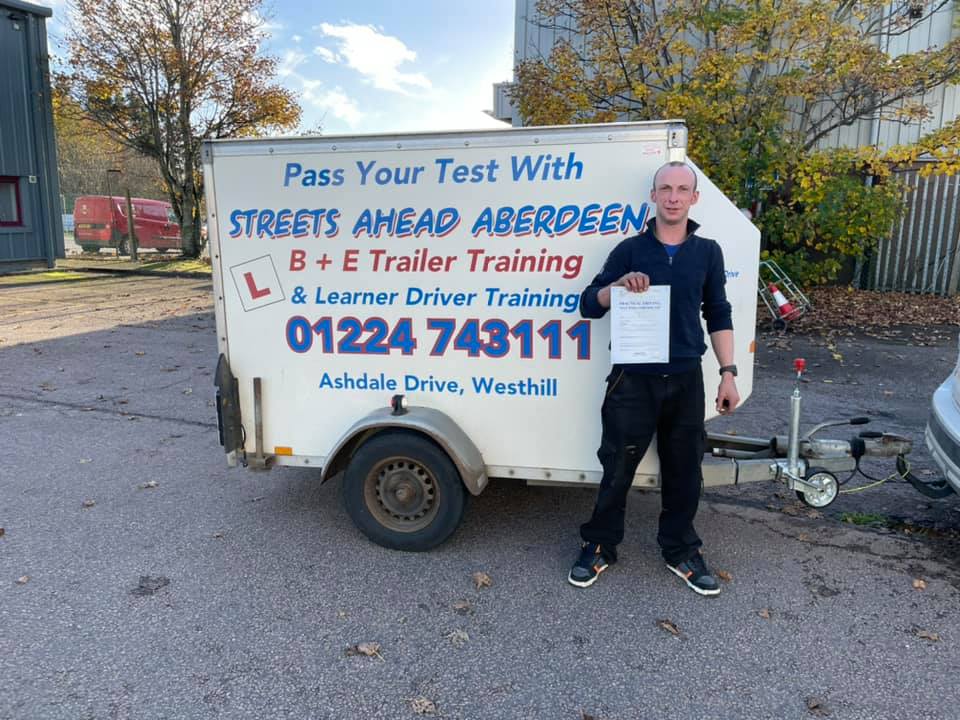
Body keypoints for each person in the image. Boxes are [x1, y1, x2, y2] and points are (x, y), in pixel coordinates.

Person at [568, 161, 740, 596]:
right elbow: (588, 304)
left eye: (682, 189)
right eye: (665, 189)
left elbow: (718, 313)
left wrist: (728, 373)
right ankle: (599, 545)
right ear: (653, 196)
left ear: (694, 198)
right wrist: (617, 287)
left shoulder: (708, 252)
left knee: (685, 470)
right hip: (632, 380)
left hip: (686, 378)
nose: (673, 197)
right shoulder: (629, 250)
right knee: (617, 466)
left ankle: (680, 550)